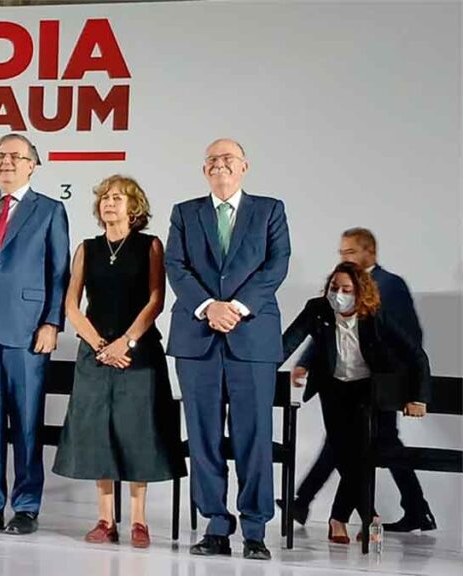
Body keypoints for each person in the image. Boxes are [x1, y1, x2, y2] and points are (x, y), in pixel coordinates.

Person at [164, 139, 290, 560]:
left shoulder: (269, 210)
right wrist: (207, 306)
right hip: (197, 338)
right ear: (205, 170)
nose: (220, 165)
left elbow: (276, 264)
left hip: (251, 337)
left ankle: (255, 529)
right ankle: (215, 525)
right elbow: (175, 266)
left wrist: (234, 308)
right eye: (213, 160)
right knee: (203, 437)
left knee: (254, 435)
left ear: (244, 167)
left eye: (228, 159)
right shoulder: (185, 213)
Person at [53, 176, 185, 547]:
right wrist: (100, 345)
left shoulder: (149, 245)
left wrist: (125, 342)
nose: (109, 203)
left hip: (137, 351)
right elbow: (71, 305)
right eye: (105, 198)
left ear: (134, 207)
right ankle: (105, 519)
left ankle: (139, 521)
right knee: (98, 432)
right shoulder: (87, 248)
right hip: (95, 352)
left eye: (118, 198)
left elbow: (156, 299)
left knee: (137, 430)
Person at [280, 227, 436, 533]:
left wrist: (411, 394)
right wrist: (297, 364)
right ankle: (359, 514)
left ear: (369, 252)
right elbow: (325, 335)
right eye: (342, 253)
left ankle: (339, 511)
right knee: (348, 449)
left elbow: (410, 345)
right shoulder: (322, 307)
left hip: (377, 385)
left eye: (350, 251)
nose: (340, 293)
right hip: (336, 384)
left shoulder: (387, 290)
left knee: (364, 449)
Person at [0, 133, 70, 535]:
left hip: (28, 330)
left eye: (15, 156)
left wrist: (52, 322)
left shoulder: (50, 210)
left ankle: (26, 506)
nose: (6, 162)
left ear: (32, 165)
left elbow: (59, 271)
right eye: (0, 155)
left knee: (26, 422)